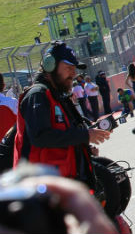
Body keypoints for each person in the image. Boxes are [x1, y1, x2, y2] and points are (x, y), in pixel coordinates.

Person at [12, 42, 111, 184]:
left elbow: (66, 134)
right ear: (49, 65)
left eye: (74, 69)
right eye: (68, 68)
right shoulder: (37, 95)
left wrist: (85, 146)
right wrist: (85, 136)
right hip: (38, 189)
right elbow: (41, 136)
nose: (73, 73)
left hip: (58, 185)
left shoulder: (57, 96)